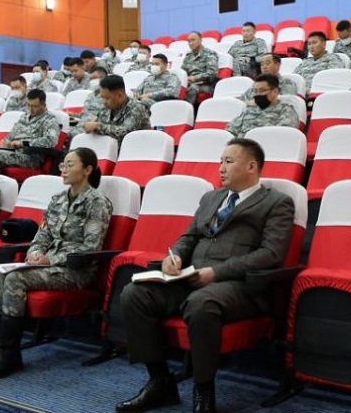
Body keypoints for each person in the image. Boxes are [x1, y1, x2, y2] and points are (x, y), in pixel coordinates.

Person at [116, 138, 295, 413]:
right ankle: (160, 381)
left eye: (228, 162)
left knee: (201, 303)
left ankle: (203, 391)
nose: (220, 168)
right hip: (191, 278)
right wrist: (174, 257)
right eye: (220, 161)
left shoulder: (276, 202)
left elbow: (270, 254)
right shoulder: (211, 198)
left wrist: (217, 272)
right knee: (134, 294)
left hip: (238, 286)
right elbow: (189, 237)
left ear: (251, 166)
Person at [0, 147, 113, 380]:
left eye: (70, 165)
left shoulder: (97, 203)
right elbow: (42, 236)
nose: (63, 169)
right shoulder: (57, 200)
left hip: (75, 271)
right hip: (47, 266)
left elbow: (90, 248)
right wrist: (35, 253)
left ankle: (9, 354)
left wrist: (50, 259)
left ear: (87, 170)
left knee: (14, 279)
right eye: (62, 164)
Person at [0, 89, 60, 174]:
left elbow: (51, 141)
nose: (31, 109)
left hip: (30, 157)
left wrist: (22, 143)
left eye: (35, 106)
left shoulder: (50, 120)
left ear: (44, 104)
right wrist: (5, 142)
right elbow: (11, 135)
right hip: (13, 152)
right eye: (28, 105)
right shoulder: (24, 116)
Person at [71, 75, 150, 143]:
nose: (104, 102)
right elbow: (96, 122)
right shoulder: (107, 107)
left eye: (107, 98)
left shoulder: (137, 108)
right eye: (102, 97)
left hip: (134, 150)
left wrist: (98, 126)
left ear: (119, 96)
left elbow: (125, 132)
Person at [226, 75, 300, 138]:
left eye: (262, 90)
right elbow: (230, 131)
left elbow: (282, 137)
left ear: (275, 91)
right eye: (255, 91)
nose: (258, 94)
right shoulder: (248, 110)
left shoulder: (286, 111)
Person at [182, 31, 219, 105]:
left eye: (193, 40)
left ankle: (186, 110)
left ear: (200, 40)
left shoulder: (210, 54)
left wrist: (195, 78)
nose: (190, 43)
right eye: (189, 41)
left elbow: (212, 74)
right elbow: (183, 72)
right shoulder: (188, 56)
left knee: (193, 88)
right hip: (190, 83)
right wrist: (185, 78)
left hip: (207, 85)